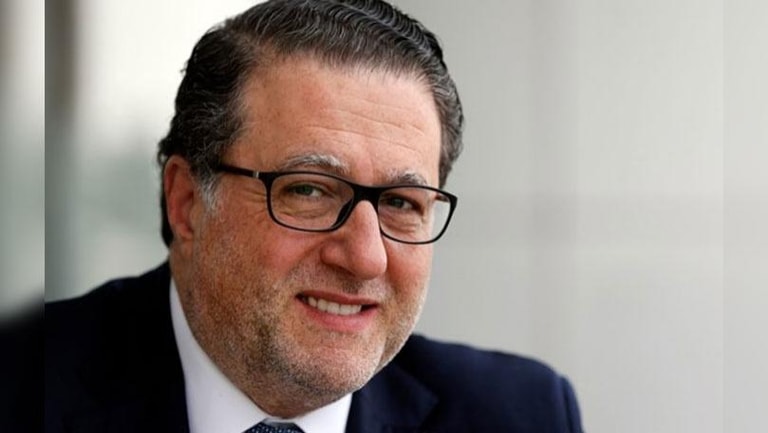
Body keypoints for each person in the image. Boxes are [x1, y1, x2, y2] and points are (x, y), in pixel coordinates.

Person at [45, 1, 583, 432]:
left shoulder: (521, 414)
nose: (366, 258)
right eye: (308, 190)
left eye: (400, 203)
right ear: (186, 203)